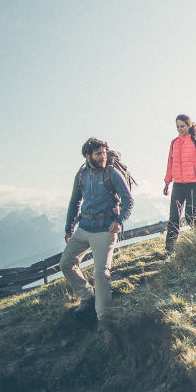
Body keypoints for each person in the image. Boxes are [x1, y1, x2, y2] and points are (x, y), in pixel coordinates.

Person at [60, 137, 134, 323]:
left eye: (104, 153)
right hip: (84, 228)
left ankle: (103, 319)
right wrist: (69, 228)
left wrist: (119, 221)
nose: (103, 157)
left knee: (100, 274)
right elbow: (74, 201)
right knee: (66, 263)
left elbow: (128, 200)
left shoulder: (112, 173)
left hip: (105, 230)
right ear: (87, 156)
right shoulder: (82, 174)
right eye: (98, 153)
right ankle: (87, 297)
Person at [163, 114, 196, 255]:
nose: (179, 129)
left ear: (189, 125)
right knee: (173, 218)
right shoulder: (174, 142)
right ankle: (169, 251)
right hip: (178, 185)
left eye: (182, 126)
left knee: (190, 215)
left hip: (195, 184)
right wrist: (167, 182)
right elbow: (170, 162)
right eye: (177, 126)